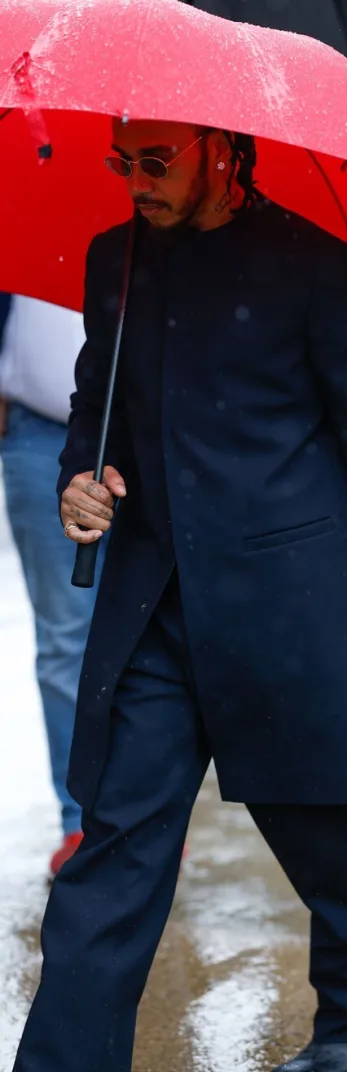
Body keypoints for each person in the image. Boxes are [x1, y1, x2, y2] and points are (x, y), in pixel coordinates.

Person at [0, 119, 347, 1072]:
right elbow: (94, 408)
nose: (133, 180)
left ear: (223, 149)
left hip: (281, 600)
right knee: (115, 838)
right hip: (153, 605)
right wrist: (79, 480)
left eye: (154, 160)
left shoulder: (315, 265)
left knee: (325, 822)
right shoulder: (113, 257)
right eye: (122, 160)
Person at [0, 296, 95, 877]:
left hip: (154, 436)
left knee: (153, 635)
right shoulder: (26, 211)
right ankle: (80, 821)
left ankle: (145, 813)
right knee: (64, 638)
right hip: (38, 431)